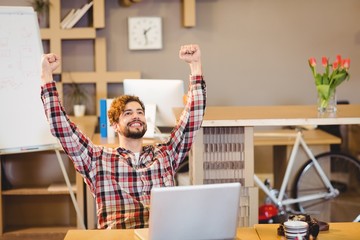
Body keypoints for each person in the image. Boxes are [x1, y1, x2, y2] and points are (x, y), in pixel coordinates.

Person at [40, 44, 206, 229]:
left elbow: (192, 118)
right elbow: (61, 128)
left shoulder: (165, 155)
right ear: (114, 125)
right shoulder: (97, 160)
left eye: (140, 112)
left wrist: (195, 65)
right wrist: (47, 77)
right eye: (127, 113)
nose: (136, 116)